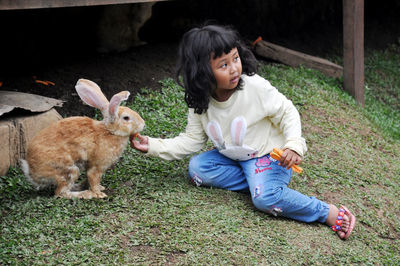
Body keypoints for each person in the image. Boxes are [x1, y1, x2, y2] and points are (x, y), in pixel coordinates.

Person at [131, 24, 356, 240]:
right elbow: (191, 140)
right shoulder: (200, 101)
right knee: (197, 169)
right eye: (223, 65)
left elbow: (287, 111)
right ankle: (258, 183)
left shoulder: (254, 87)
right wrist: (152, 145)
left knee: (265, 200)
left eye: (235, 59)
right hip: (235, 159)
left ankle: (326, 212)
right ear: (202, 73)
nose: (234, 68)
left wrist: (293, 145)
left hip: (271, 156)